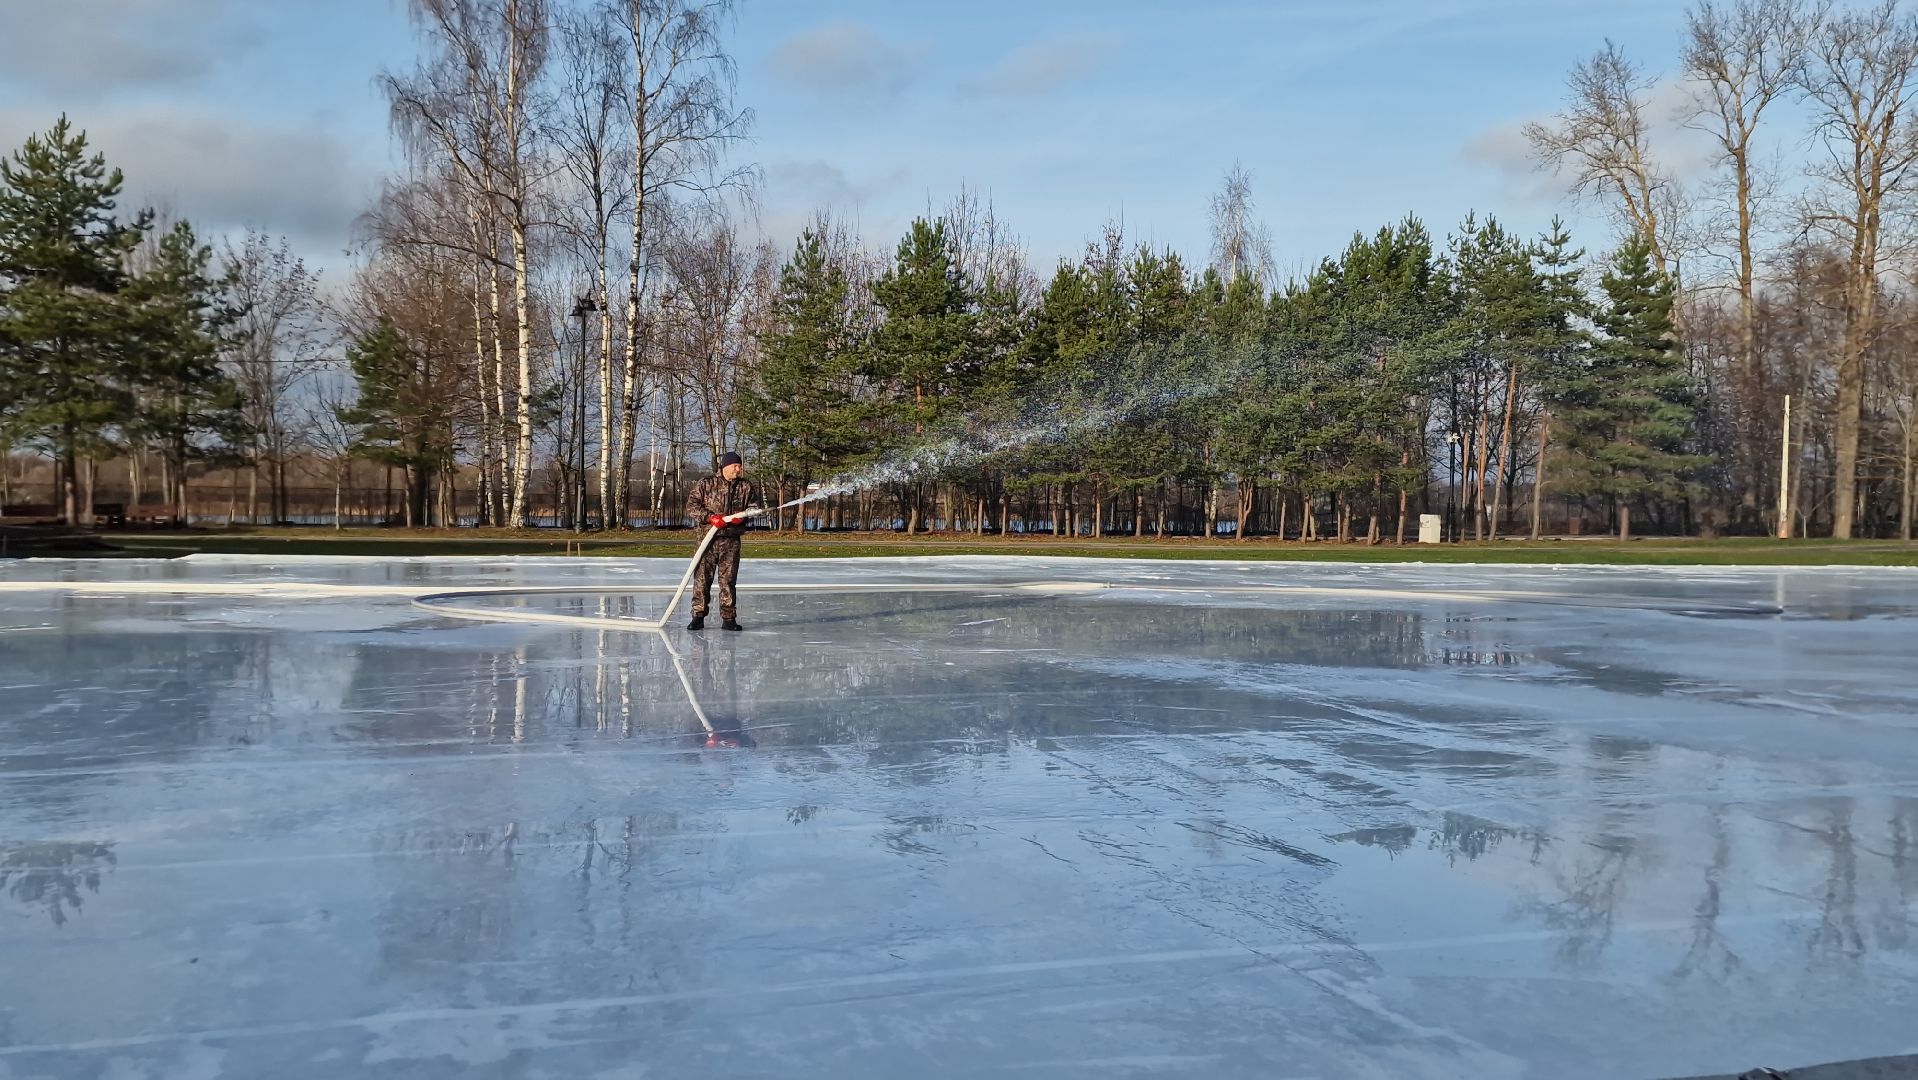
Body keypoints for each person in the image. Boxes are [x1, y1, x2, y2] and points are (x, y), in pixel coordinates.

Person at [685, 450, 762, 631]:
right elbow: (691, 505)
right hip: (708, 540)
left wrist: (742, 518)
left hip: (731, 541)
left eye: (739, 466)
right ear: (726, 466)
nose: (739, 469)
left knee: (728, 581)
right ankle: (698, 616)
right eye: (736, 466)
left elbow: (754, 507)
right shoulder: (706, 484)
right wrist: (709, 517)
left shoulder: (745, 487)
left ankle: (728, 618)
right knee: (702, 579)